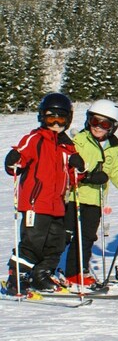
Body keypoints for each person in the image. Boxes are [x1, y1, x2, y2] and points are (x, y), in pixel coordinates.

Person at [3, 93, 85, 295]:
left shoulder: (68, 146)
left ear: (68, 120)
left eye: (61, 118)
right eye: (51, 118)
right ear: (42, 117)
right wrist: (13, 160)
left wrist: (79, 167)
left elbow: (74, 176)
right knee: (33, 242)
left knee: (55, 244)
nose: (56, 123)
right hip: (35, 203)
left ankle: (40, 275)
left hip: (57, 205)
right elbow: (17, 160)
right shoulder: (35, 139)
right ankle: (18, 276)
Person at [62, 99, 118, 287]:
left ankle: (76, 272)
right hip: (73, 197)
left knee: (86, 238)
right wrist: (85, 177)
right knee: (62, 236)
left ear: (112, 127)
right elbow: (66, 165)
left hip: (95, 201)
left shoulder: (114, 148)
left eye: (104, 124)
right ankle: (45, 268)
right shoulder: (79, 140)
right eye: (95, 121)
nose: (98, 127)